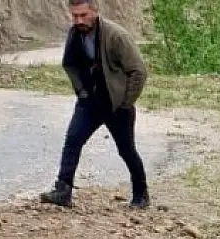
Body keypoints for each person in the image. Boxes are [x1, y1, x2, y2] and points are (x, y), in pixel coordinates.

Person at [39, 0, 149, 209]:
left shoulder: (116, 35)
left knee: (126, 150)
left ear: (95, 12)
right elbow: (69, 63)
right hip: (90, 103)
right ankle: (63, 191)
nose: (79, 20)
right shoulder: (75, 34)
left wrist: (126, 103)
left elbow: (138, 70)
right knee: (72, 141)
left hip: (116, 105)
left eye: (83, 15)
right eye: (75, 16)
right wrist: (81, 92)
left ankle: (141, 194)